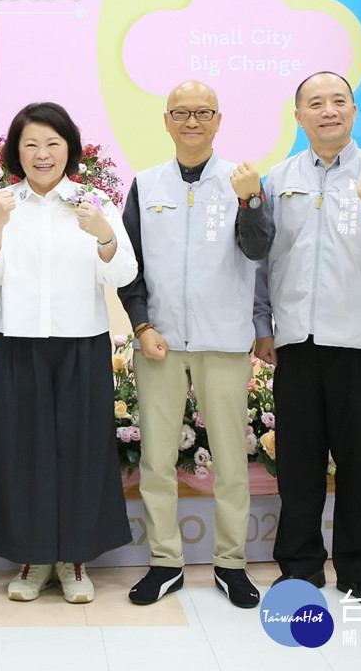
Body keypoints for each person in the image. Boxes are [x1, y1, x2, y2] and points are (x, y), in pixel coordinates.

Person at [0, 102, 137, 603]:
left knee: (82, 453)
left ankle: (74, 561)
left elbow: (123, 273)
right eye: (31, 144)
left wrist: (103, 234)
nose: (42, 154)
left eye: (53, 144)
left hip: (82, 344)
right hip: (18, 344)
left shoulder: (93, 202)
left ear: (70, 150)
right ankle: (33, 559)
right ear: (16, 152)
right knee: (21, 454)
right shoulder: (0, 204)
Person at [253, 71, 361, 610]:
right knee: (298, 463)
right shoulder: (279, 178)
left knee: (357, 461)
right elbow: (265, 259)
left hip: (359, 338)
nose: (328, 110)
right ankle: (299, 567)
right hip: (297, 337)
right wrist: (262, 324)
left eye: (339, 100)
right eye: (315, 103)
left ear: (352, 111)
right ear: (299, 116)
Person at [117, 81, 274, 609]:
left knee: (230, 459)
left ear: (218, 120)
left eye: (203, 112)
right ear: (166, 120)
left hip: (223, 340)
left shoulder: (241, 181)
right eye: (181, 113)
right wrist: (142, 325)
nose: (192, 121)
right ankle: (166, 562)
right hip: (159, 342)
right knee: (156, 459)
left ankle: (231, 563)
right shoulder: (146, 185)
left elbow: (258, 247)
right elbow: (130, 267)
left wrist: (251, 198)